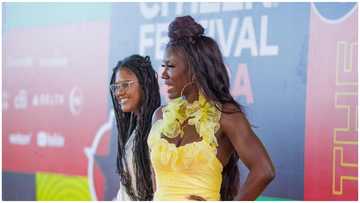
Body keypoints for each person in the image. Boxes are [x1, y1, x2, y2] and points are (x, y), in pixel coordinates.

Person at [147, 16, 275, 201]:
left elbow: (264, 170)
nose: (164, 74)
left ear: (195, 70)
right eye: (163, 66)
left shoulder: (226, 116)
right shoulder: (160, 116)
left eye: (171, 66)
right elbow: (156, 182)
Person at [110, 55, 160, 200]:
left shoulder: (159, 130)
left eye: (125, 84)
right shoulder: (135, 129)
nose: (119, 92)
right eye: (116, 86)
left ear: (145, 84)